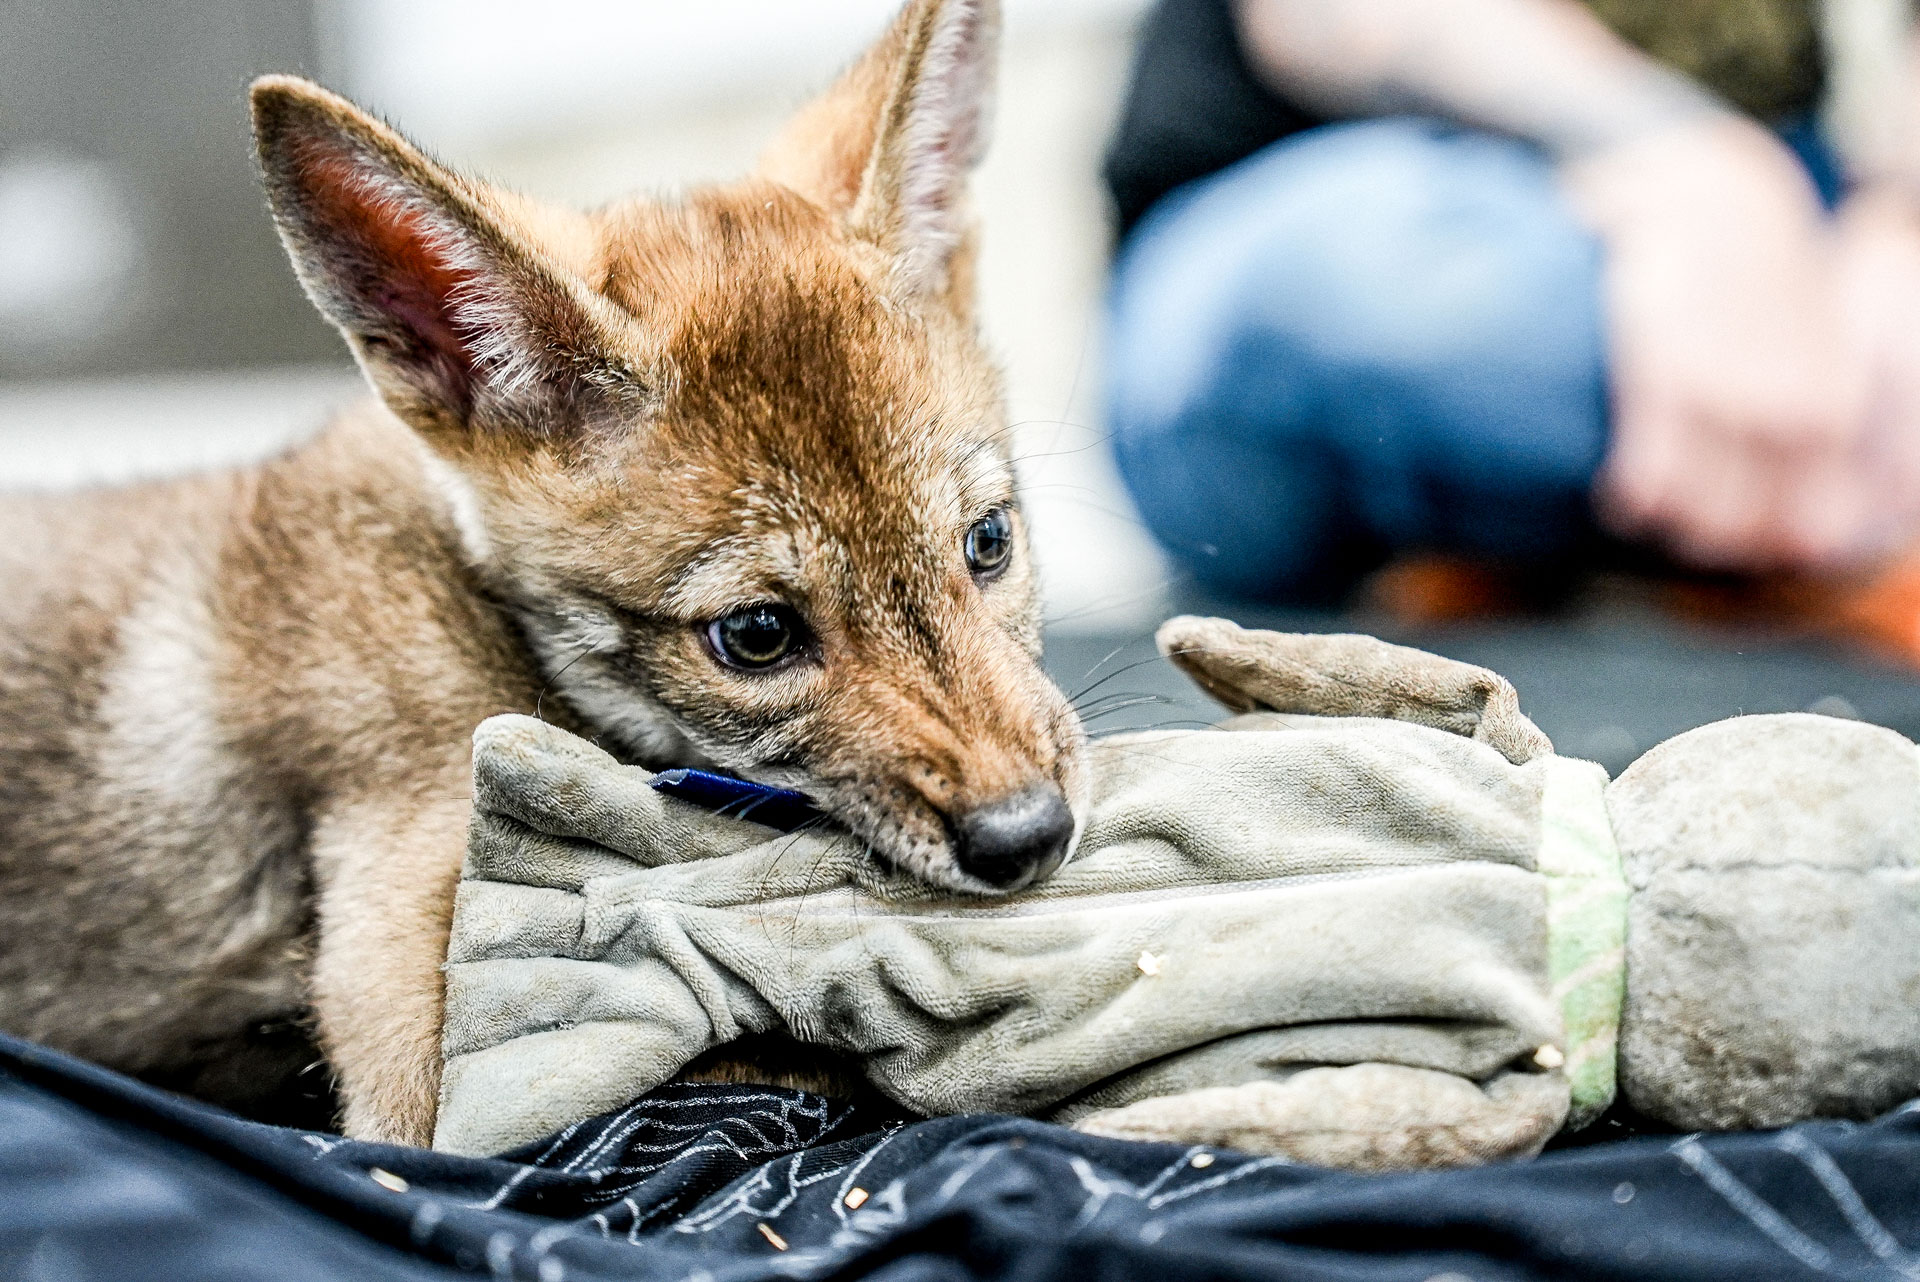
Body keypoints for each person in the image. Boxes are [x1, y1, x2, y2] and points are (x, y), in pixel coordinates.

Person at [1103, 0, 1920, 634]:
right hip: (1330, 203)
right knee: (1369, 304)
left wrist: (1898, 222)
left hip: (1786, 214)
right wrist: (1699, 167)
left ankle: (1692, 530)